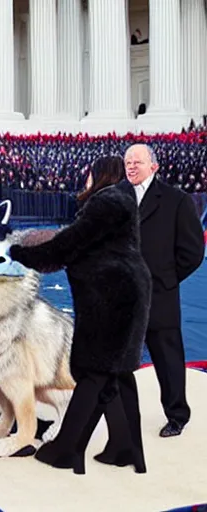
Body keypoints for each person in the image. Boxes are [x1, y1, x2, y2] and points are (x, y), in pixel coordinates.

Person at [7, 155, 152, 475]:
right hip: (124, 293)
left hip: (110, 298)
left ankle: (67, 451)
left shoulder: (107, 201)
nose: (85, 180)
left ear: (101, 174)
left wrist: (19, 253)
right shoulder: (120, 202)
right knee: (117, 374)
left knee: (94, 372)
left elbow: (67, 246)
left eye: (89, 174)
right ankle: (125, 447)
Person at [118, 143, 203, 438]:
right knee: (116, 360)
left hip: (160, 296)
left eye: (137, 162)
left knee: (168, 360)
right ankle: (118, 418)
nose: (130, 166)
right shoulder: (115, 197)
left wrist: (167, 280)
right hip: (123, 295)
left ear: (154, 166)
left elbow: (193, 251)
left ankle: (177, 415)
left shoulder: (176, 200)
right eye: (127, 162)